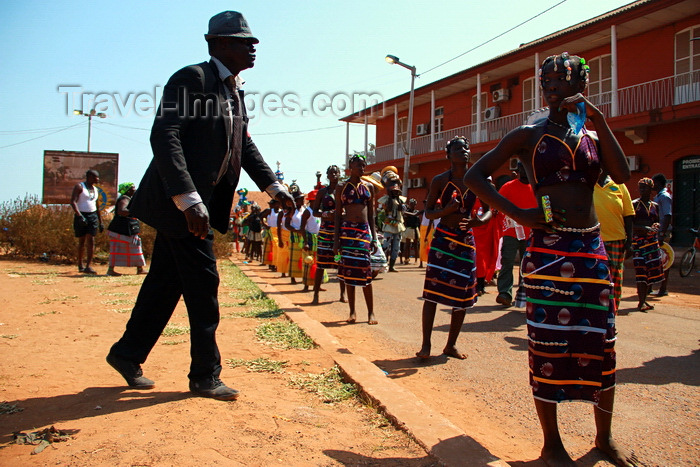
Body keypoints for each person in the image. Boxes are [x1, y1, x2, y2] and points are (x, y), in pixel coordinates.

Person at [107, 11, 293, 401]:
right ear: (218, 44)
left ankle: (126, 354)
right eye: (244, 39)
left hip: (200, 205)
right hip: (183, 205)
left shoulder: (234, 91)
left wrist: (273, 187)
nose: (253, 45)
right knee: (204, 285)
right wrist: (187, 198)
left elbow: (244, 146)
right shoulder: (193, 78)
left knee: (164, 284)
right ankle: (205, 375)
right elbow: (166, 133)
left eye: (252, 39)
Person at [464, 53, 636, 466]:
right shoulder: (529, 134)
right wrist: (521, 215)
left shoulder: (590, 137)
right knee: (547, 344)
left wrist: (598, 120)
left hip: (591, 250)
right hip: (546, 252)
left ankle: (603, 439)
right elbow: (476, 176)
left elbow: (622, 173)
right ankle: (552, 444)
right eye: (548, 82)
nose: (553, 87)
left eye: (562, 80)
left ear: (582, 84)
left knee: (602, 344)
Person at [417, 136, 487, 360]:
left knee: (462, 297)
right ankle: (426, 345)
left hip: (465, 243)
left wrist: (477, 221)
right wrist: (446, 211)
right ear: (448, 155)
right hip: (443, 241)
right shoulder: (439, 180)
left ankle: (451, 345)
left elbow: (489, 210)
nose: (463, 151)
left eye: (466, 147)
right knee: (432, 294)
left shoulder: (477, 179)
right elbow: (428, 212)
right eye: (457, 148)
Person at [333, 154, 378, 325]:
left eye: (363, 165)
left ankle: (371, 312)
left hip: (363, 232)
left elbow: (372, 216)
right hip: (347, 233)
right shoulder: (341, 188)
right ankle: (352, 311)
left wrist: (374, 237)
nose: (362, 168)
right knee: (349, 271)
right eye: (358, 165)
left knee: (366, 271)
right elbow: (337, 215)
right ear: (351, 166)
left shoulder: (369, 187)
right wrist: (336, 241)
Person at [495, 162, 537, 307]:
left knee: (527, 265)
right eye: (522, 169)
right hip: (511, 232)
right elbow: (498, 205)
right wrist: (506, 221)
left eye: (527, 169)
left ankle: (523, 294)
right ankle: (505, 293)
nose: (524, 172)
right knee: (507, 261)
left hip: (531, 233)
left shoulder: (537, 188)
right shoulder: (508, 187)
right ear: (517, 170)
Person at [593, 171, 634, 311]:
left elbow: (628, 214)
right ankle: (597, 314)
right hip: (593, 240)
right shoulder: (587, 184)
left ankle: (612, 313)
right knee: (596, 279)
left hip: (617, 240)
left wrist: (629, 242)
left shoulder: (619, 185)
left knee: (614, 280)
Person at [312, 165, 345, 304]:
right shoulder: (322, 192)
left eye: (336, 172)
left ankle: (343, 294)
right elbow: (315, 212)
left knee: (340, 262)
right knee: (321, 263)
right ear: (327, 175)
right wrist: (326, 214)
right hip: (325, 231)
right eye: (331, 172)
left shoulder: (344, 190)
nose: (334, 174)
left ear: (339, 174)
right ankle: (316, 294)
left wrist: (340, 214)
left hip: (340, 231)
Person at [632, 178, 664, 312]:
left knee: (650, 272)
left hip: (651, 242)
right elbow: (630, 224)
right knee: (641, 272)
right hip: (638, 242)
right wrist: (644, 228)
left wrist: (656, 226)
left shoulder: (654, 206)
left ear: (651, 190)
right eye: (641, 188)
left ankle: (644, 300)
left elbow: (656, 221)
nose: (642, 190)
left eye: (645, 188)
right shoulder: (634, 204)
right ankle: (641, 302)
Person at [106, 183, 147, 276]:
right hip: (121, 229)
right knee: (117, 249)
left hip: (128, 229)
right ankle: (110, 270)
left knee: (135, 247)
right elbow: (122, 211)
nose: (135, 190)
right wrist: (136, 212)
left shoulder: (129, 199)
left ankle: (140, 268)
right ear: (128, 190)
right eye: (133, 188)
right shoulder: (124, 199)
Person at [70, 169, 103, 274]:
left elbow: (97, 206)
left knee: (91, 240)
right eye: (94, 177)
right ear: (88, 177)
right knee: (82, 241)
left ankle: (89, 265)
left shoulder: (96, 190)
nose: (97, 179)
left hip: (92, 216)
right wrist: (79, 216)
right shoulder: (80, 187)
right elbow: (73, 201)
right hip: (81, 215)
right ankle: (80, 264)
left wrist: (100, 221)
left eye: (97, 177)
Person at [378, 168, 406, 272]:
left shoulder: (401, 200)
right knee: (386, 245)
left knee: (396, 247)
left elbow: (402, 211)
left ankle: (392, 265)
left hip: (398, 224)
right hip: (389, 224)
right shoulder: (386, 200)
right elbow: (386, 210)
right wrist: (391, 197)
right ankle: (383, 264)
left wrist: (398, 198)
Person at [651, 173, 672, 296]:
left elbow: (667, 215)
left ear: (658, 183)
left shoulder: (664, 197)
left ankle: (663, 288)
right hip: (658, 231)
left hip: (663, 232)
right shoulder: (658, 196)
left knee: (665, 259)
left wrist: (662, 233)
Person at [284, 186, 306, 284]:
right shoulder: (291, 211)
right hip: (294, 236)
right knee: (294, 257)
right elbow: (287, 224)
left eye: (303, 199)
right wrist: (296, 230)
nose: (303, 200)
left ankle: (303, 276)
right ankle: (292, 277)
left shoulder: (304, 209)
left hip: (304, 235)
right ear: (296, 201)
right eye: (301, 199)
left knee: (304, 257)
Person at [401, 198, 421, 265]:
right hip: (409, 229)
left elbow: (418, 220)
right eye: (411, 204)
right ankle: (406, 259)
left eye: (414, 204)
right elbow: (404, 220)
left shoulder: (416, 212)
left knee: (416, 245)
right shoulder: (407, 211)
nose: (412, 205)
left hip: (415, 229)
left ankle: (416, 260)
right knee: (407, 245)